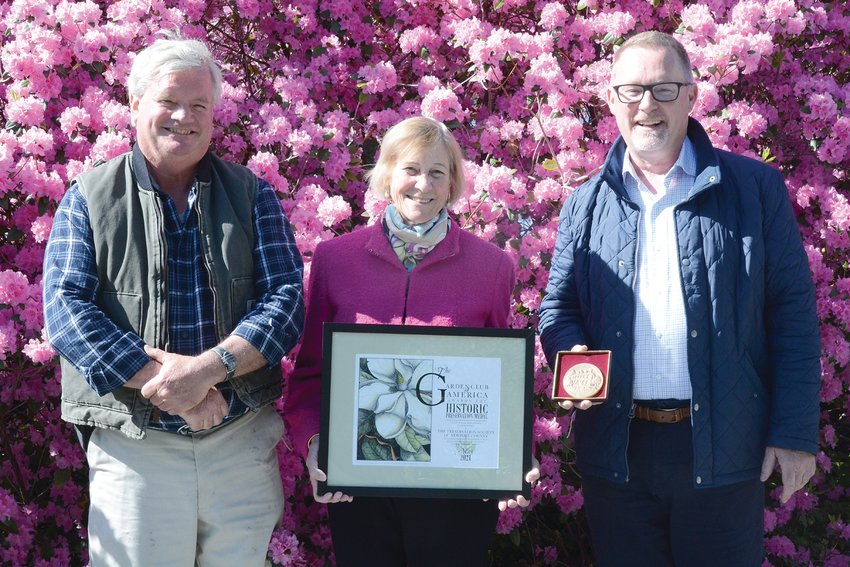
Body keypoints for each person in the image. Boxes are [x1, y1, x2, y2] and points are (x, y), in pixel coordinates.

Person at [538, 31, 821, 566]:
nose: (647, 105)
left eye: (664, 89)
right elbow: (558, 307)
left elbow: (793, 317)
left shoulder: (755, 188)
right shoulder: (584, 204)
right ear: (611, 101)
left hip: (722, 448)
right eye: (632, 90)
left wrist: (794, 432)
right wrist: (572, 352)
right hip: (617, 455)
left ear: (692, 97)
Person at [43, 37, 304, 566]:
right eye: (169, 101)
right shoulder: (90, 196)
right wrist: (171, 386)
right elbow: (68, 311)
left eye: (200, 105)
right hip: (137, 446)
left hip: (236, 441)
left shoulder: (252, 194)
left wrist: (209, 369)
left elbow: (286, 301)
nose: (184, 117)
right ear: (136, 104)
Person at [284, 116, 537, 567]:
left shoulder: (492, 266)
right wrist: (315, 443)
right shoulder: (334, 260)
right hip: (358, 487)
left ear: (453, 183)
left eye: (438, 172)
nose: (423, 184)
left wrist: (514, 456)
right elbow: (311, 373)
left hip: (455, 494)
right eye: (410, 169)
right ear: (386, 175)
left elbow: (501, 378)